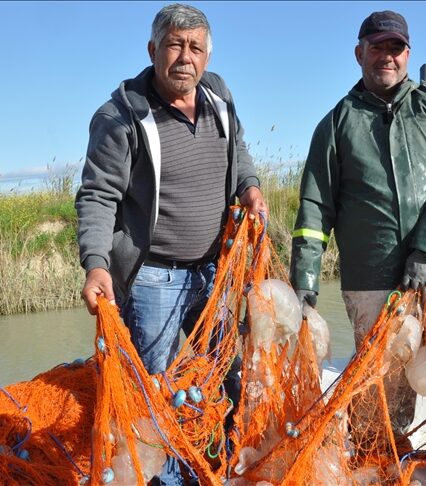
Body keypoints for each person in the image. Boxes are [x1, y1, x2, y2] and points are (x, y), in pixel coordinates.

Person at [76, 4, 267, 484]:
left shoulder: (219, 95)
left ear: (207, 56)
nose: (186, 57)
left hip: (214, 272)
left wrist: (250, 184)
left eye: (196, 47)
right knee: (154, 391)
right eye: (175, 45)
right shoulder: (120, 116)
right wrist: (96, 263)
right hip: (153, 278)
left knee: (223, 375)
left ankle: (215, 464)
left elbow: (238, 150)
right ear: (153, 49)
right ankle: (165, 478)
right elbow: (98, 195)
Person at [289, 10, 426, 448]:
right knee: (381, 387)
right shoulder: (336, 124)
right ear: (359, 53)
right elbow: (313, 208)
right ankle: (380, 460)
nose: (387, 57)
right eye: (377, 47)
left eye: (395, 48)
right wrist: (304, 283)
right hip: (371, 279)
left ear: (408, 54)